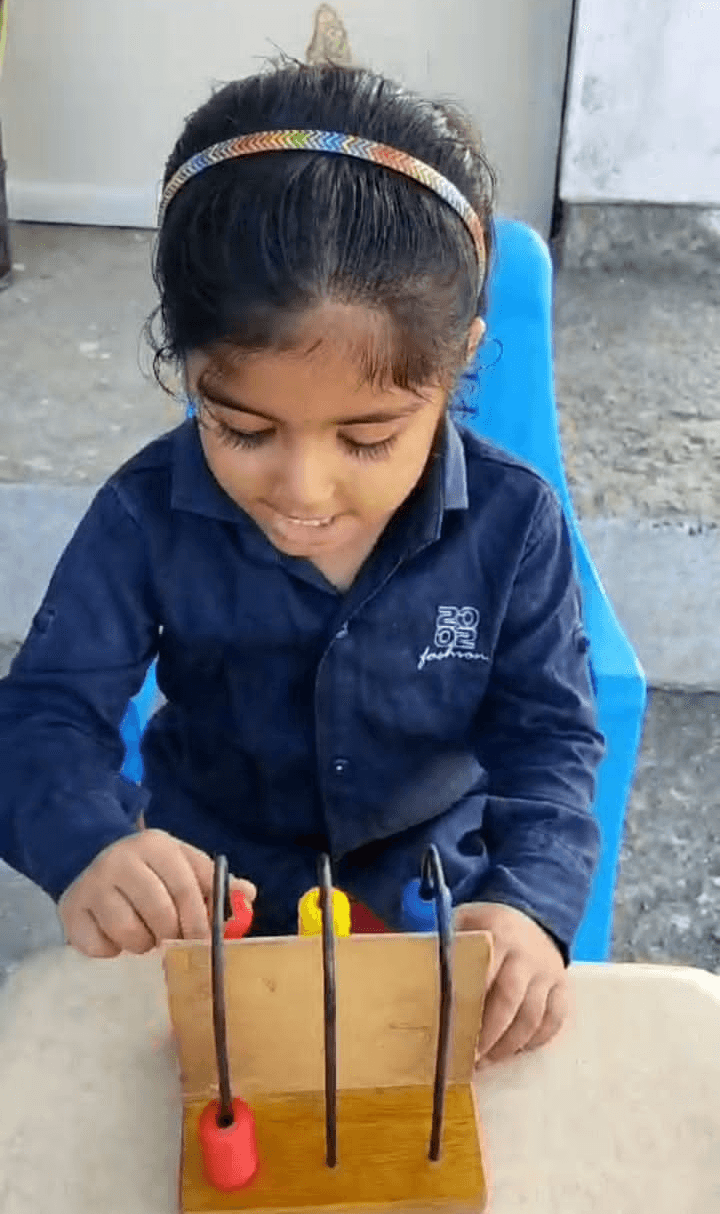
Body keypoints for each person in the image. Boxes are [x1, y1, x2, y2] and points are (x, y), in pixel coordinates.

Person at [0, 62, 605, 1065]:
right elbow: (43, 714)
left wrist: (530, 903)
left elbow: (550, 738)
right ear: (185, 363)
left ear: (458, 361)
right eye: (242, 428)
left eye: (368, 439)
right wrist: (92, 845)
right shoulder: (147, 512)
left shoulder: (514, 525)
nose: (303, 490)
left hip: (429, 907)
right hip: (210, 906)